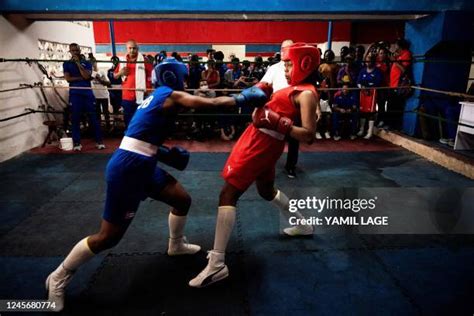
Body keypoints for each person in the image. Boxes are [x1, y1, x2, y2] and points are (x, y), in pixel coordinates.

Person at [45, 57, 269, 311]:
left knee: (181, 200)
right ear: (173, 77)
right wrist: (244, 98)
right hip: (128, 169)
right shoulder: (170, 95)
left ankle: (175, 245)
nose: (185, 81)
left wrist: (163, 153)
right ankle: (59, 276)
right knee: (108, 237)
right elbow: (213, 102)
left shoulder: (154, 97)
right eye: (182, 76)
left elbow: (137, 133)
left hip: (142, 163)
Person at [189, 42, 321, 288]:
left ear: (305, 64)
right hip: (260, 140)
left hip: (261, 144)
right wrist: (261, 91)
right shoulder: (296, 87)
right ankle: (303, 223)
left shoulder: (306, 94)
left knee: (227, 194)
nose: (286, 68)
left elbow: (309, 135)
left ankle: (217, 264)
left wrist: (278, 122)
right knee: (266, 190)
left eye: (290, 64)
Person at [260, 39, 302, 179]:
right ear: (281, 50)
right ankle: (265, 166)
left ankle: (291, 167)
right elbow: (263, 84)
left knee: (294, 140)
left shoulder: (299, 68)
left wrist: (316, 109)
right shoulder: (274, 68)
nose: (286, 51)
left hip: (295, 108)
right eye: (284, 49)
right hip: (276, 108)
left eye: (289, 48)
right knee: (270, 139)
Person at [63, 43, 104, 151]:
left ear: (80, 51)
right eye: (73, 51)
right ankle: (77, 143)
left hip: (87, 94)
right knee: (75, 118)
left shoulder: (87, 62)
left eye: (77, 50)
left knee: (93, 118)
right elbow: (68, 79)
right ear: (70, 52)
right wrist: (81, 78)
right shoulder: (66, 63)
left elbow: (87, 76)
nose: (75, 52)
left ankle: (99, 141)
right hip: (75, 95)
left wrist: (78, 64)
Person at [114, 40, 153, 128]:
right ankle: (129, 136)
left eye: (134, 48)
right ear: (126, 49)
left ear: (137, 49)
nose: (132, 50)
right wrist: (120, 72)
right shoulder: (122, 61)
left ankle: (140, 137)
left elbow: (151, 76)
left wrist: (149, 89)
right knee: (128, 118)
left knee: (141, 118)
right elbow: (115, 76)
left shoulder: (144, 61)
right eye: (130, 48)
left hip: (142, 95)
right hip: (127, 95)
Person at [357, 53, 383, 139]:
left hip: (372, 93)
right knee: (362, 111)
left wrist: (368, 86)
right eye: (367, 61)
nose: (368, 63)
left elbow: (378, 82)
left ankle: (369, 131)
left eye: (370, 61)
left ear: (373, 61)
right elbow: (358, 81)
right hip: (363, 92)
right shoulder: (362, 70)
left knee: (371, 112)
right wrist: (362, 87)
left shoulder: (377, 71)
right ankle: (361, 129)